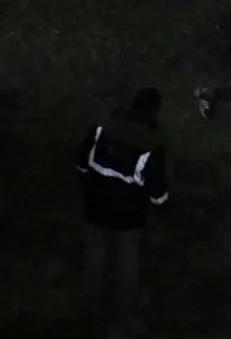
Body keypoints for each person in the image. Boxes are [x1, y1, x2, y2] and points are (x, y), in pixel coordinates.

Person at [75, 88, 170, 332]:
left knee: (94, 252)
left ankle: (89, 298)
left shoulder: (101, 130)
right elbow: (157, 193)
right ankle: (126, 308)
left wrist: (91, 184)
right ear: (155, 111)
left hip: (95, 208)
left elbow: (81, 163)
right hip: (128, 218)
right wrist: (166, 210)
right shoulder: (151, 147)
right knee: (128, 260)